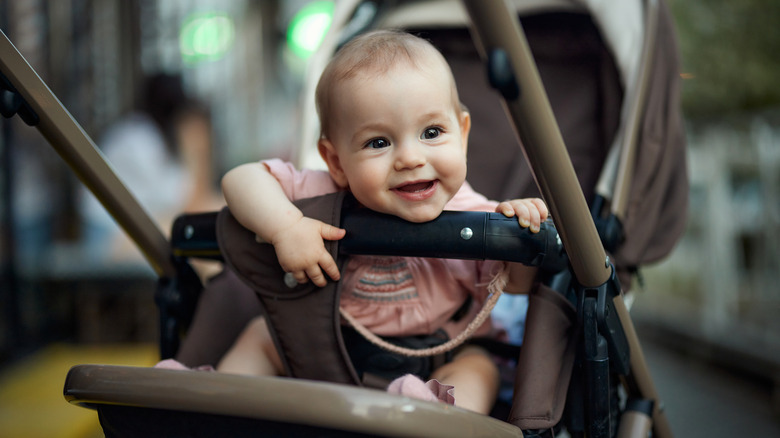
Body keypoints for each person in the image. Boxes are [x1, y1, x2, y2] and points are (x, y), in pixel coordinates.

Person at [214, 30, 548, 414]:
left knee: (480, 368)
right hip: (330, 354)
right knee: (262, 337)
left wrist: (522, 233)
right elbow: (240, 179)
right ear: (337, 162)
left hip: (441, 358)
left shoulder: (475, 214)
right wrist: (286, 226)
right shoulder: (323, 195)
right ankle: (218, 409)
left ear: (463, 133)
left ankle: (441, 420)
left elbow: (517, 288)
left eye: (432, 133)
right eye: (378, 142)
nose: (409, 158)